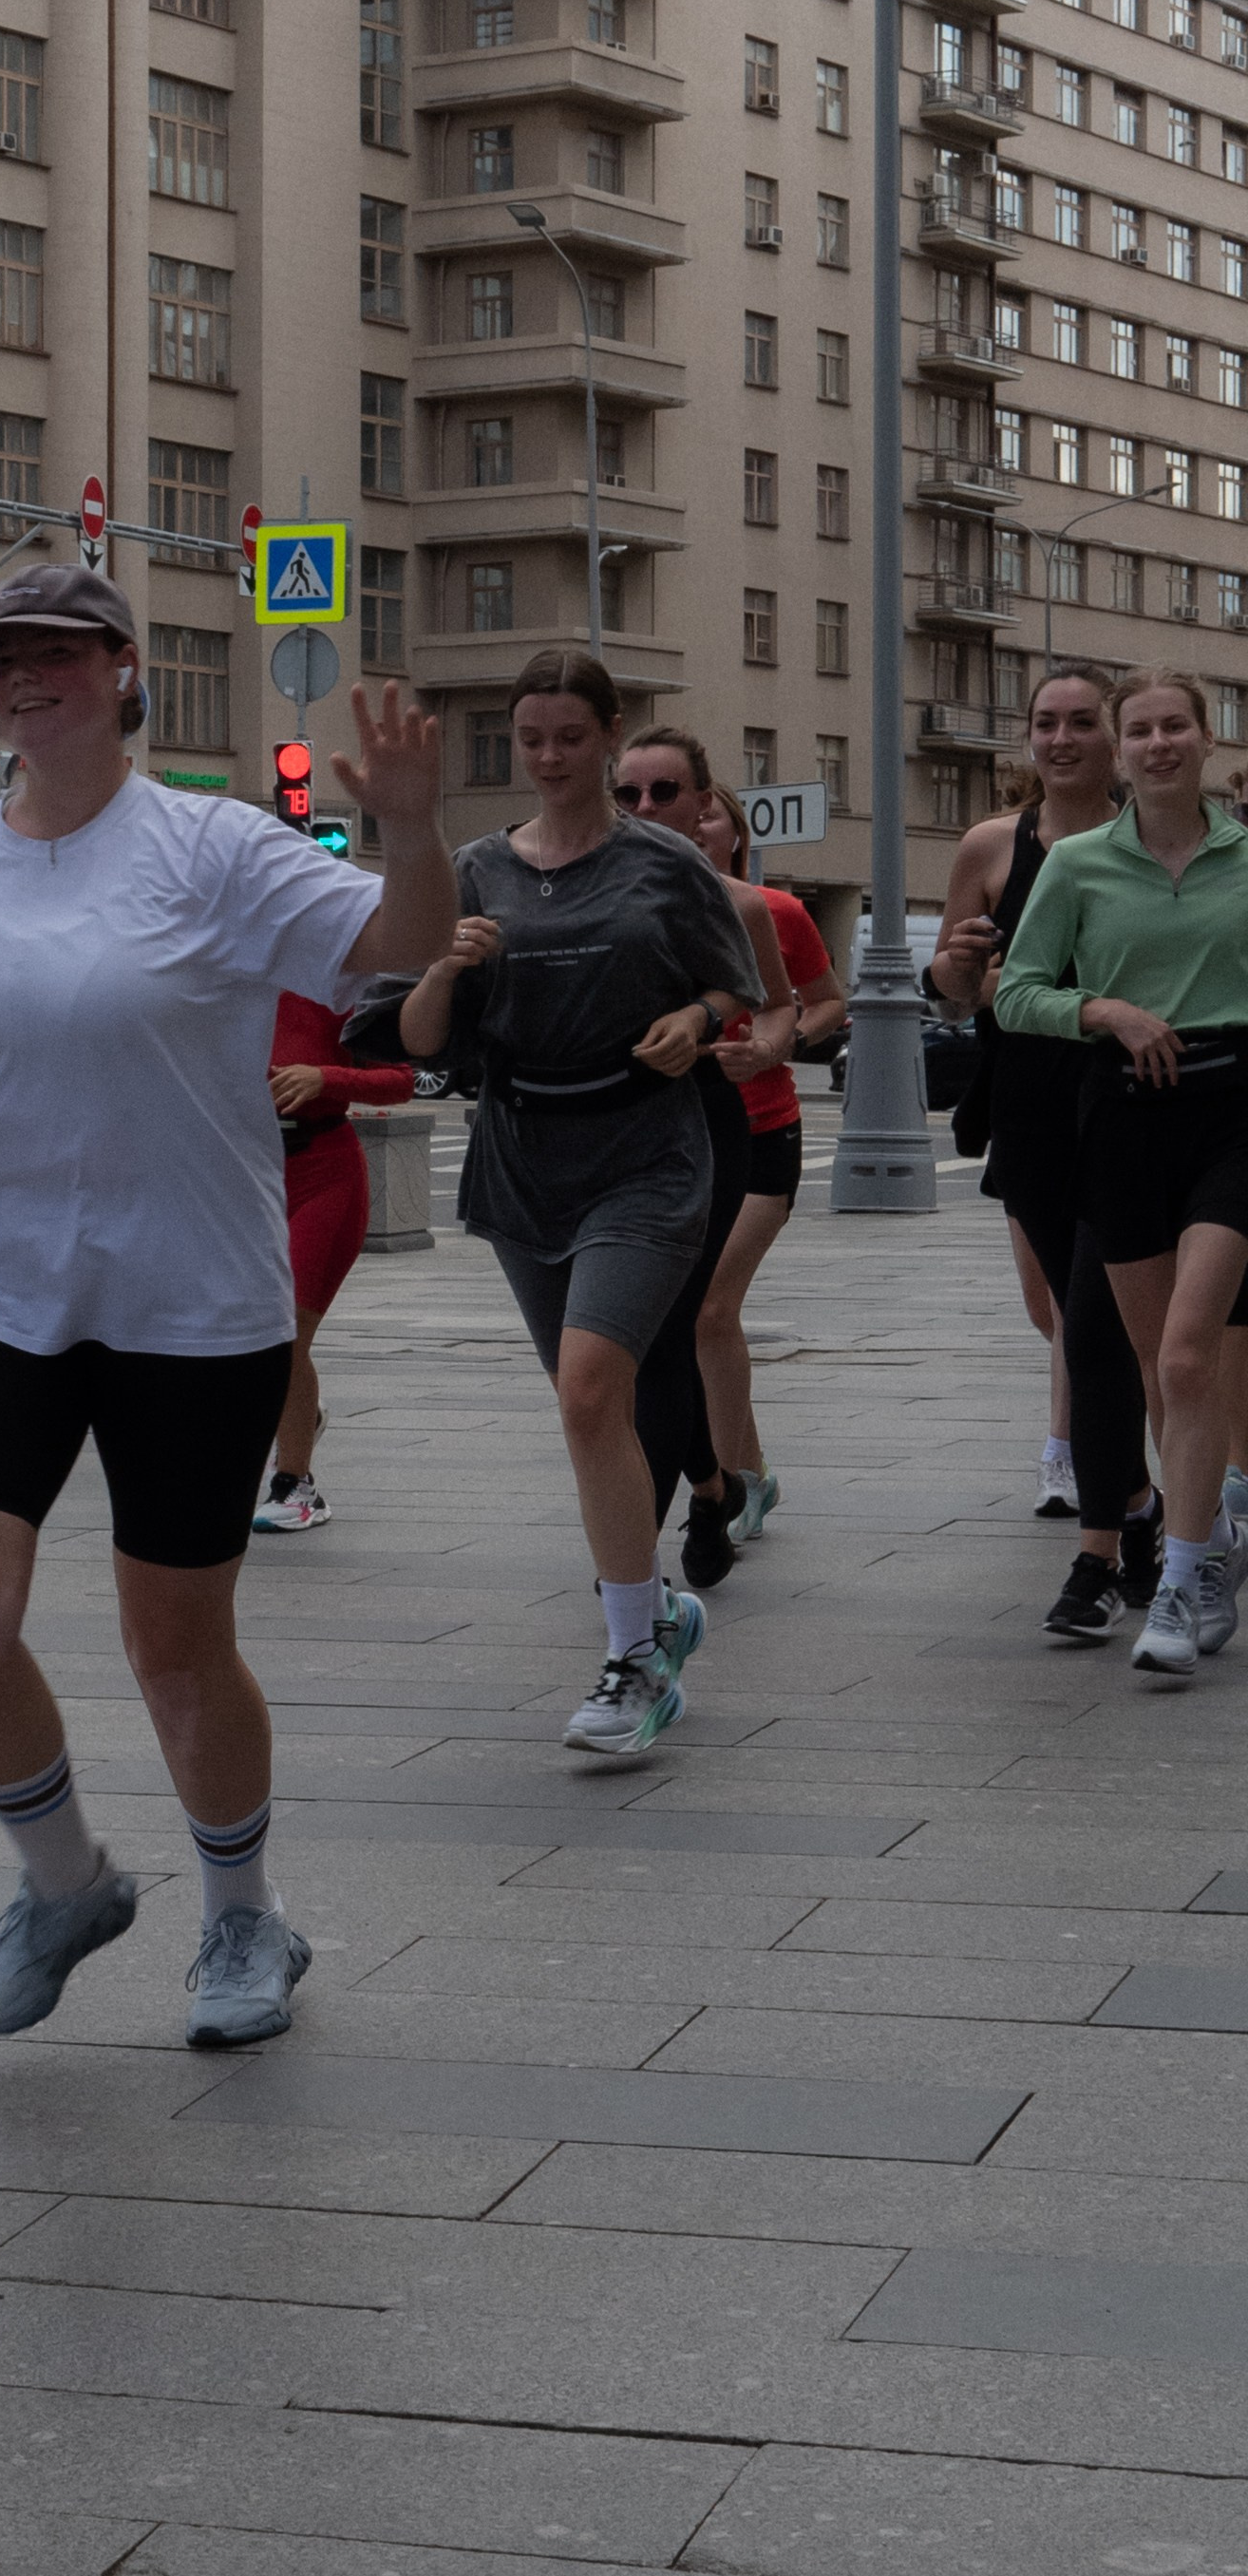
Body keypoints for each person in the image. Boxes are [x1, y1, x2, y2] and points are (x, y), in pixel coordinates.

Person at [0, 559, 456, 2047]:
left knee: (173, 1648)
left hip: (190, 1300)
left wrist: (415, 824)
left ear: (127, 670)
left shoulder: (214, 847)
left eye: (57, 652)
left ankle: (245, 1917)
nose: (22, 676)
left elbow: (399, 943)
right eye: (1, 656)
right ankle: (64, 1886)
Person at [396, 651, 763, 1758]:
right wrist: (443, 970)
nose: (549, 757)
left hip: (646, 1155)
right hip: (521, 1160)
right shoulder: (472, 870)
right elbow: (415, 1039)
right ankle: (656, 1610)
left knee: (590, 1391)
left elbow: (737, 980)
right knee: (584, 1402)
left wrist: (697, 1020)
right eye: (530, 739)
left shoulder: (665, 863)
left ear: (610, 736)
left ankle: (632, 1659)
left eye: (570, 736)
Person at [995, 668, 1248, 1682]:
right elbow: (1018, 991)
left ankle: (1180, 1582)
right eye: (1139, 730)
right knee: (1155, 1367)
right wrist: (1104, 1011)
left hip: (1235, 1110)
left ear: (1206, 737)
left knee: (1189, 1357)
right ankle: (1212, 1543)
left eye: (1173, 726)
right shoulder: (1080, 863)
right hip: (1123, 1118)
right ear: (1123, 749)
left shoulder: (1244, 855)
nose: (1156, 744)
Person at [931, 672, 1159, 1642]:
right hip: (1029, 1105)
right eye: (1044, 723)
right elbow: (950, 982)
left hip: (1135, 1106)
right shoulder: (993, 845)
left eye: (1081, 723)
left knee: (1111, 1332)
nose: (1061, 738)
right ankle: (1140, 1507)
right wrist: (957, 964)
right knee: (1069, 1319)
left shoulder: (1162, 840)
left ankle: (1106, 1544)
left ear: (1116, 740)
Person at [608, 732, 801, 1593]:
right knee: (639, 1342)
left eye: (665, 793)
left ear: (703, 804)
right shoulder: (577, 893)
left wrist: (762, 1048)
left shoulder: (742, 905)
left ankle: (631, 1563)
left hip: (707, 1128)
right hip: (604, 1129)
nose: (646, 810)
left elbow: (786, 1007)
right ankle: (714, 1485)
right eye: (630, 795)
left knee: (674, 1326)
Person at [684, 774, 848, 1551]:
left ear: (733, 834)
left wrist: (778, 1045)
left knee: (713, 1309)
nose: (693, 827)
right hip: (682, 1139)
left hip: (764, 1131)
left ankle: (735, 1481)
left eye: (707, 816)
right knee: (700, 1323)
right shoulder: (655, 911)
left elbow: (826, 1002)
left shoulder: (774, 911)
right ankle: (748, 1470)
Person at [253, 993, 416, 1532]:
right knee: (245, 1334)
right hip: (242, 1174)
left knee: (287, 1331)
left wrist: (326, 1078)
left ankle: (297, 1485)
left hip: (322, 1170)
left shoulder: (340, 983)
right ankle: (300, 1418)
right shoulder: (220, 973)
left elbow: (401, 1080)